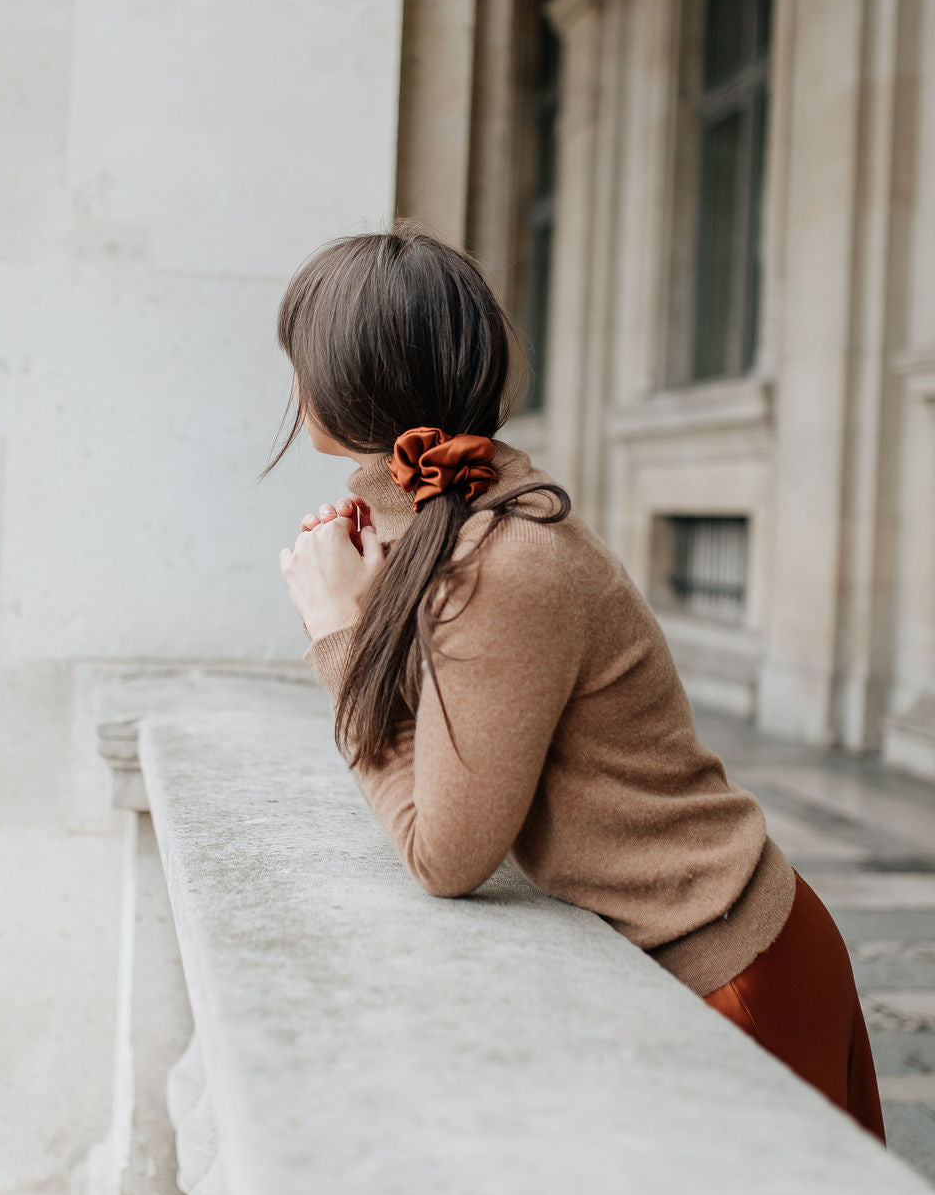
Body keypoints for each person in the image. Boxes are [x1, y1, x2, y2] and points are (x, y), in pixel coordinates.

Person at [269, 220, 885, 1145]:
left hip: (731, 970)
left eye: (298, 362)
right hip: (703, 948)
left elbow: (445, 856)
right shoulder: (463, 519)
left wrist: (337, 635)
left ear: (350, 377)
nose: (291, 386)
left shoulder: (500, 564)